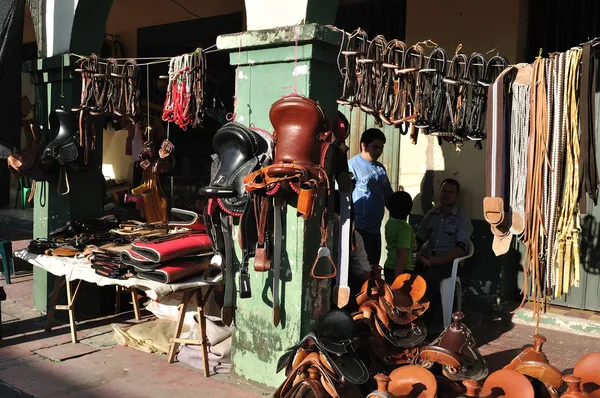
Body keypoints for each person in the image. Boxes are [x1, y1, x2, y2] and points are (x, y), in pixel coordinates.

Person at [416, 178, 473, 331]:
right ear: (438, 194)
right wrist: (415, 254)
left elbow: (461, 249)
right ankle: (407, 317)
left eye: (451, 192)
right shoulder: (431, 214)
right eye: (444, 191)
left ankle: (427, 324)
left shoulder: (462, 219)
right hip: (428, 259)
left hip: (448, 263)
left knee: (429, 279)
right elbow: (419, 239)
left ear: (457, 196)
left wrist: (437, 261)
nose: (446, 195)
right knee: (408, 273)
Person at [348, 128, 394, 266]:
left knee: (373, 268)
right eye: (375, 147)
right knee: (360, 270)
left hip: (375, 229)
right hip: (359, 229)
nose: (379, 151)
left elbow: (388, 197)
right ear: (364, 145)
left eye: (381, 147)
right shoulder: (352, 165)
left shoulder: (380, 168)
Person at [383, 191, 416, 284]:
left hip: (389, 265)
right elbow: (401, 255)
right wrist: (397, 278)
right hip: (402, 270)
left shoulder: (390, 223)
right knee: (400, 296)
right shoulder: (404, 228)